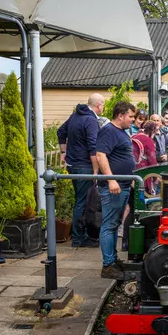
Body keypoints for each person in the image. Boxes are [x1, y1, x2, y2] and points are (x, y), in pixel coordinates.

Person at [57, 93, 104, 248]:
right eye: (103, 105)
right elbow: (92, 147)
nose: (103, 108)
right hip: (84, 165)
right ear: (99, 105)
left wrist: (64, 152)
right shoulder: (90, 120)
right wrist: (96, 170)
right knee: (82, 202)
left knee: (80, 199)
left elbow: (60, 132)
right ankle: (78, 238)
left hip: (72, 164)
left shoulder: (75, 116)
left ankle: (80, 235)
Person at [96, 101, 136, 280]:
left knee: (114, 223)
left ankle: (113, 260)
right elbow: (100, 155)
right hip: (114, 186)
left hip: (123, 184)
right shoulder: (109, 131)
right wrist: (111, 180)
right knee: (109, 224)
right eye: (131, 116)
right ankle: (107, 265)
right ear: (120, 115)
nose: (133, 120)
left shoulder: (121, 132)